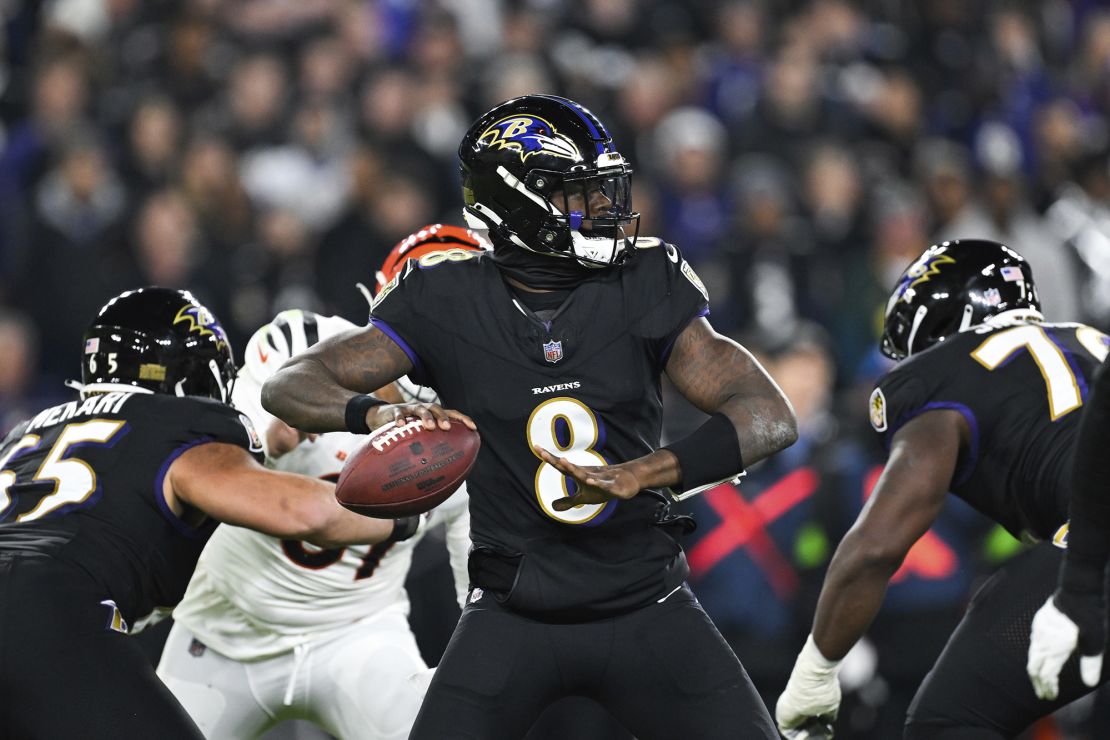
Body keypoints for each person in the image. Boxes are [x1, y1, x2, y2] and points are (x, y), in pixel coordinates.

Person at [261, 93, 798, 740]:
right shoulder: (445, 297)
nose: (603, 207)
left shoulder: (643, 279)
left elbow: (770, 415)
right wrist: (376, 414)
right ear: (518, 203)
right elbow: (291, 384)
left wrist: (649, 472)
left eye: (603, 190)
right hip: (514, 610)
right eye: (580, 192)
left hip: (645, 600)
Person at [0, 287, 423, 740]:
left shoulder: (29, 431)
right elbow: (302, 512)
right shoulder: (174, 426)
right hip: (46, 611)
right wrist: (402, 516)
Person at [157, 226, 485, 740]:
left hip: (359, 634)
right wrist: (267, 437)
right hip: (227, 627)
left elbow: (480, 598)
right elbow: (215, 451)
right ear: (387, 303)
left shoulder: (479, 431)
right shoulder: (303, 347)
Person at [775, 239, 1110, 739]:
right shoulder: (1090, 338)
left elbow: (876, 546)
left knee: (948, 721)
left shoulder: (944, 377)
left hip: (1091, 553)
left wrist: (816, 670)